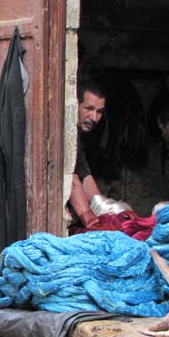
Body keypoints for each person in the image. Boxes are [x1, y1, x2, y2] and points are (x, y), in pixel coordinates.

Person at [67, 82, 110, 230]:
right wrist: (88, 217)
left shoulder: (76, 135)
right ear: (76, 104)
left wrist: (106, 209)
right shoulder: (63, 129)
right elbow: (69, 176)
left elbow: (83, 174)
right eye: (89, 109)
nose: (94, 118)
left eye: (99, 112)